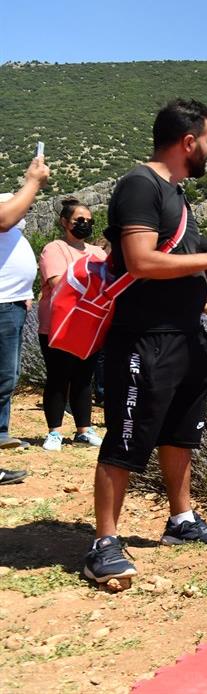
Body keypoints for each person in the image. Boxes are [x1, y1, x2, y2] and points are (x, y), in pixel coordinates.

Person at [87, 99, 207, 587]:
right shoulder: (140, 186)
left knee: (181, 431)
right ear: (187, 142)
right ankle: (104, 541)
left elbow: (177, 256)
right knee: (127, 435)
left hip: (185, 336)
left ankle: (181, 520)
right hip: (145, 337)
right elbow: (139, 261)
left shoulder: (176, 194)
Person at [37, 198, 106, 451]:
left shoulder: (97, 252)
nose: (84, 224)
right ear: (64, 222)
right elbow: (58, 283)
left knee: (83, 379)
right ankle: (54, 432)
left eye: (89, 221)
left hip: (89, 327)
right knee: (58, 377)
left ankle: (84, 430)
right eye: (79, 220)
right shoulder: (54, 248)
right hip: (59, 326)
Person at [0, 155, 51, 477]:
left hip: (12, 303)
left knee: (7, 376)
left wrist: (26, 295)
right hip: (3, 304)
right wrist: (33, 181)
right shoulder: (6, 207)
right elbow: (5, 219)